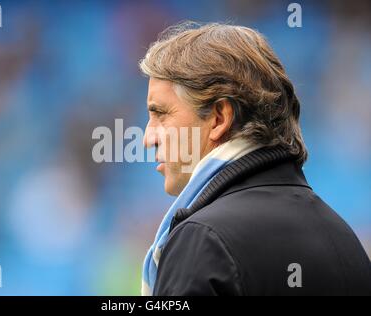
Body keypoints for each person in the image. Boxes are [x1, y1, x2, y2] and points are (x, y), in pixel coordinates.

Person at [139, 22, 371, 296]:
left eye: (161, 113)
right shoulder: (345, 241)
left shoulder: (203, 240)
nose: (147, 137)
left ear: (219, 118)